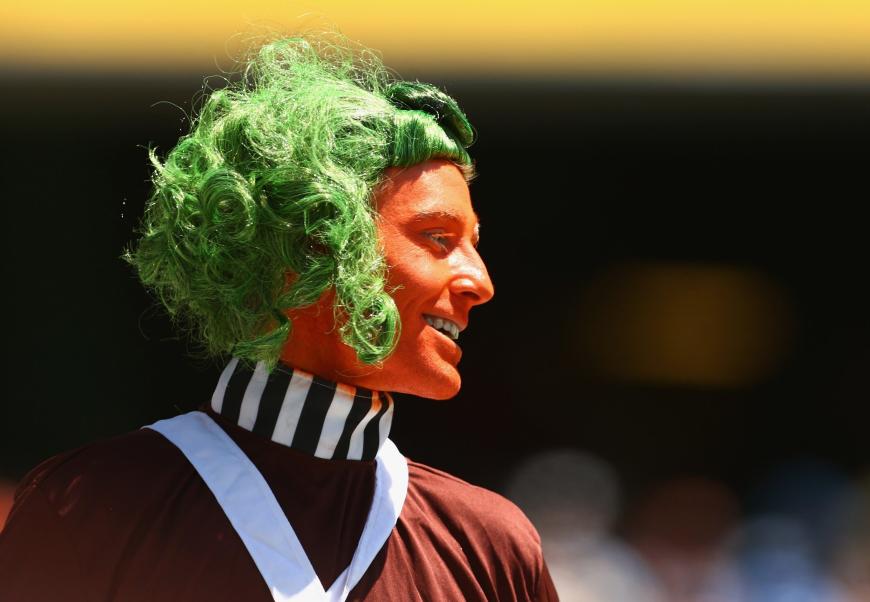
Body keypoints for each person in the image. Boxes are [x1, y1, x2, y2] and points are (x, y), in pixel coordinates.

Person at [0, 37, 558, 602]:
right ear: (311, 246)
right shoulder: (89, 505)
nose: (480, 282)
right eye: (437, 239)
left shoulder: (490, 548)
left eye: (474, 244)